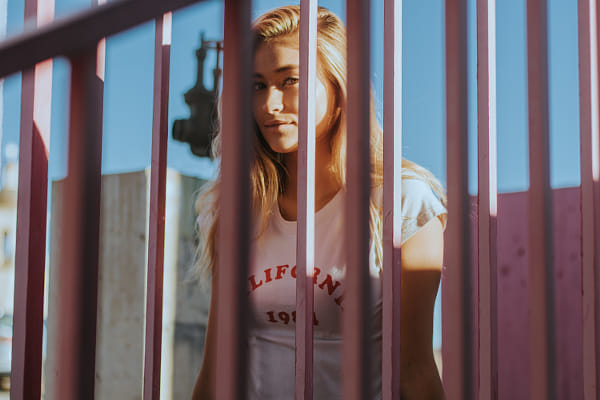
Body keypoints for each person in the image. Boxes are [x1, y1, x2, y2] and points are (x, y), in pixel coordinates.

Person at [191, 5, 446, 399]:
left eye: (289, 80)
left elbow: (416, 372)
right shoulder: (238, 209)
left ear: (339, 87)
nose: (270, 104)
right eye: (257, 86)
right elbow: (215, 373)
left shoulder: (403, 202)